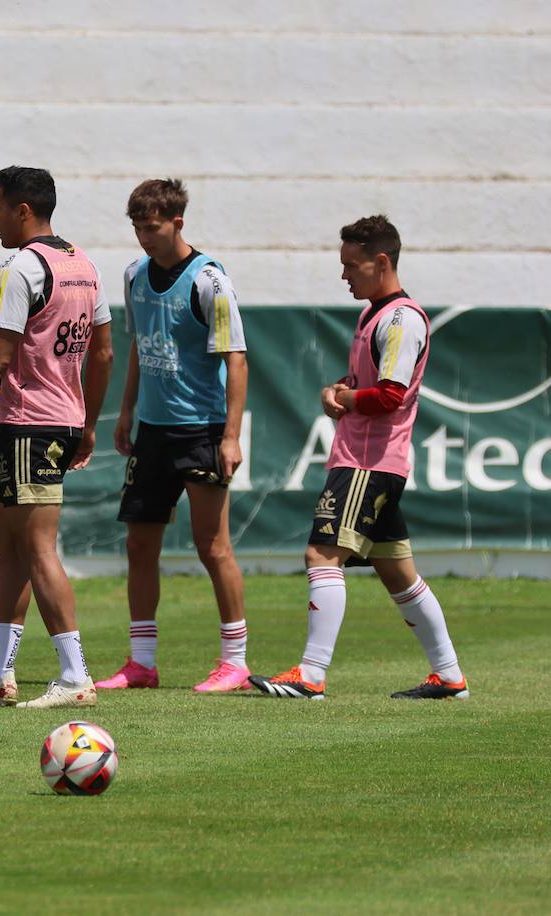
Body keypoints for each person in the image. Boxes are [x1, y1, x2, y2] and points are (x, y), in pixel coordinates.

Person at [251, 215, 468, 700]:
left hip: (367, 462)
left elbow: (390, 395)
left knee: (321, 554)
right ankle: (450, 676)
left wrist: (343, 399)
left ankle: (310, 675)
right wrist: (343, 389)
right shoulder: (376, 313)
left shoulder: (399, 319)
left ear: (382, 261)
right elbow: (372, 385)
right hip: (372, 460)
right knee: (399, 575)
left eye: (351, 265)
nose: (344, 275)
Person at [0, 166, 114, 708]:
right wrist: (87, 425)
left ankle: (75, 675)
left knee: (38, 547)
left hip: (30, 425)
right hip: (62, 420)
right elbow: (104, 350)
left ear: (22, 210)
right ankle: (0, 675)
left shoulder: (20, 266)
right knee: (6, 542)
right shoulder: (82, 264)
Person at [94, 178, 252, 694]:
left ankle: (235, 662)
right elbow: (140, 344)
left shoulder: (209, 280)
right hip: (152, 433)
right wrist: (126, 413)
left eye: (153, 227)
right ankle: (142, 662)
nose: (144, 237)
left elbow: (236, 358)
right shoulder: (135, 275)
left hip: (200, 430)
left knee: (213, 546)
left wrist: (230, 436)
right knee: (140, 545)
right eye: (138, 227)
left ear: (177, 221)